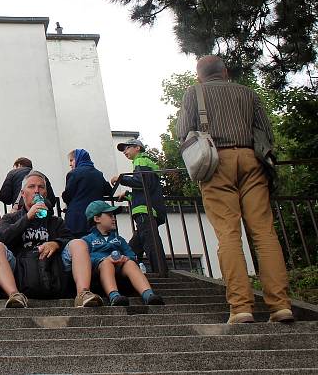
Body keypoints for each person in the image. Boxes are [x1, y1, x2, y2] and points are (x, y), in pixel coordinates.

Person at [177, 55, 293, 324]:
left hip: (216, 163)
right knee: (264, 232)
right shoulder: (247, 93)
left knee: (228, 234)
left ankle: (241, 308)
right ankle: (281, 305)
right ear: (225, 72)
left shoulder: (194, 93)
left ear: (199, 75)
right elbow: (266, 132)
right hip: (252, 160)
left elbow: (183, 132)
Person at [0, 170, 104, 308]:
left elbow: (68, 238)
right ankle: (14, 295)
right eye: (31, 187)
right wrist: (27, 218)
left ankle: (83, 293)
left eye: (41, 187)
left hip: (53, 267)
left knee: (79, 243)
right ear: (23, 193)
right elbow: (2, 239)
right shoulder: (10, 218)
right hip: (22, 268)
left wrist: (56, 243)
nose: (37, 191)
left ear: (45, 193)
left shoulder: (55, 221)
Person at [81, 200, 164, 306]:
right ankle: (114, 296)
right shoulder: (87, 240)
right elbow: (84, 259)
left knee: (130, 263)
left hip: (121, 271)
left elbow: (131, 254)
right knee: (106, 263)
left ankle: (148, 294)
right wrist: (104, 259)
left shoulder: (119, 239)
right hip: (99, 274)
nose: (114, 219)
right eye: (110, 216)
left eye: (113, 216)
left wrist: (126, 258)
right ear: (97, 219)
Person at [110, 139, 166, 273]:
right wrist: (128, 195)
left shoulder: (140, 160)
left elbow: (141, 182)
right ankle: (132, 269)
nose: (124, 151)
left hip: (144, 210)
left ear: (137, 148)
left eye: (127, 148)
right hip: (147, 208)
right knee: (133, 247)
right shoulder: (146, 162)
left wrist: (121, 179)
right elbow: (146, 188)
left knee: (150, 243)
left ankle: (160, 272)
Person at [61, 149, 112, 238]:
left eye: (71, 160)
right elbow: (108, 191)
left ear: (78, 158)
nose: (70, 164)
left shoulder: (74, 173)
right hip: (95, 219)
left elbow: (67, 195)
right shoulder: (98, 174)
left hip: (77, 219)